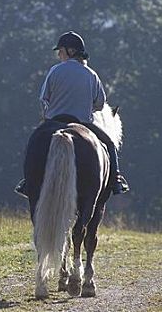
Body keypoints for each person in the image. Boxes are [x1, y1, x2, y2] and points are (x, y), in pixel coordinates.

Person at [15, 31, 129, 200]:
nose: (59, 55)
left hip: (54, 120)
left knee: (34, 141)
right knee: (109, 144)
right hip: (82, 124)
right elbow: (99, 104)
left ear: (71, 51)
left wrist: (47, 115)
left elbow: (43, 98)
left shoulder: (55, 71)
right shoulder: (92, 75)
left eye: (60, 51)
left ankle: (28, 181)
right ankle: (115, 179)